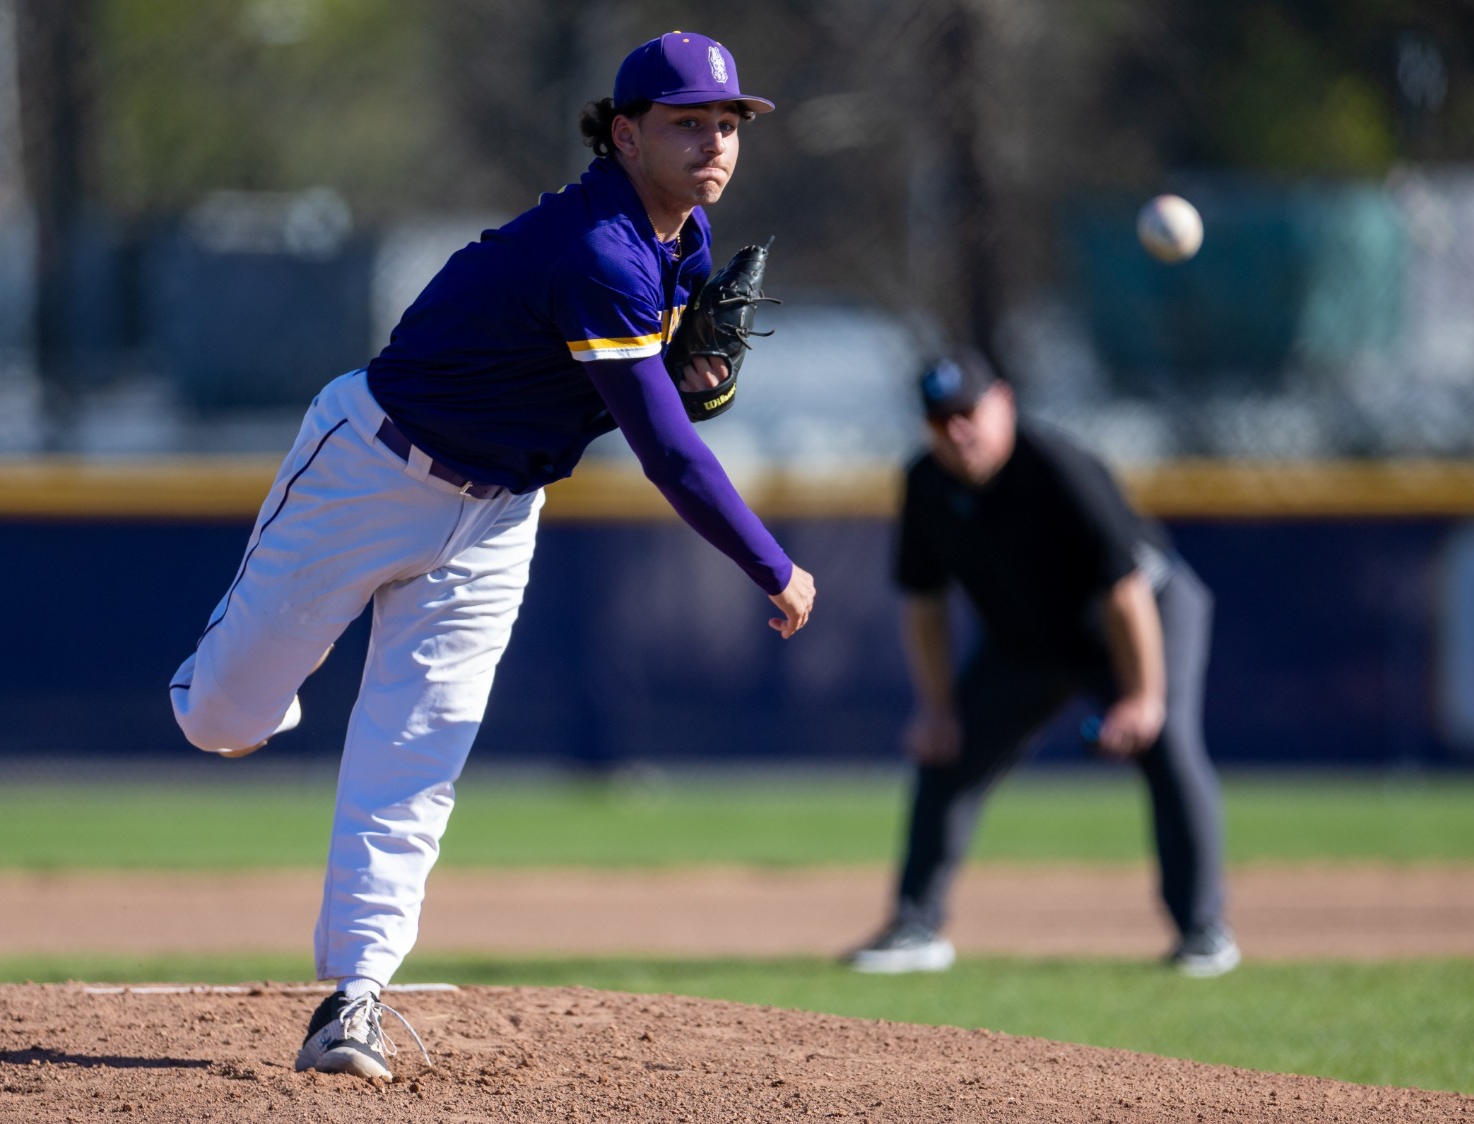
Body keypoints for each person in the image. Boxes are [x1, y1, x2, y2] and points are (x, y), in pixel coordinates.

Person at [169, 31, 816, 1078]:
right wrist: (772, 567)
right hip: (367, 471)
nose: (713, 141)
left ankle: (353, 997)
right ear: (624, 132)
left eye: (728, 121)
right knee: (220, 720)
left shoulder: (682, 235)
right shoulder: (599, 249)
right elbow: (664, 449)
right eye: (686, 121)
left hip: (498, 510)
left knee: (417, 752)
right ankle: (235, 677)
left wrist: (696, 374)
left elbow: (675, 390)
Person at [848, 349, 1237, 978]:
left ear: (1002, 401)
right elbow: (925, 604)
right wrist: (937, 706)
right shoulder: (926, 484)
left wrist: (1142, 698)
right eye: (941, 420)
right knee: (947, 752)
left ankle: (1203, 931)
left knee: (1167, 747)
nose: (958, 431)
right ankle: (916, 925)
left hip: (1142, 620)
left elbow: (1127, 590)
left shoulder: (1058, 467)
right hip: (1026, 644)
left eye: (968, 412)